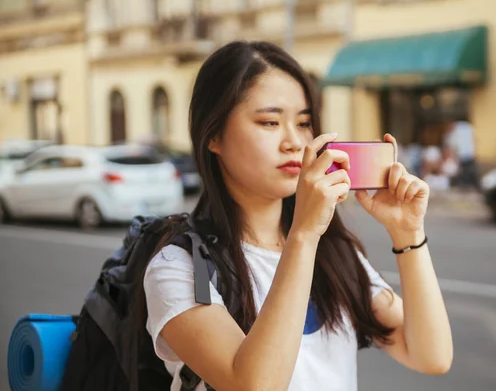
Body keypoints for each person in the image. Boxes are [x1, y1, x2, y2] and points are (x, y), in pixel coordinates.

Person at [143, 41, 453, 391]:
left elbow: (432, 356)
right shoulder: (179, 268)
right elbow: (255, 385)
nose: (294, 141)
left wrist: (408, 233)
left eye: (304, 123)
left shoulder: (336, 255)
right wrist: (303, 234)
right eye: (270, 122)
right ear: (213, 134)